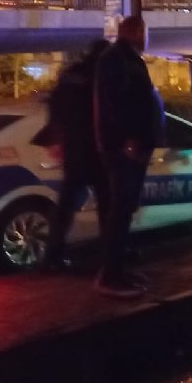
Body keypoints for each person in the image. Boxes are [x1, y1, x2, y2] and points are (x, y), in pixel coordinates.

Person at [94, 16, 164, 298]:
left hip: (130, 147)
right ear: (134, 32)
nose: (146, 37)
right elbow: (117, 103)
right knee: (120, 210)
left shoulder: (126, 58)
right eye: (145, 31)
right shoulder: (117, 59)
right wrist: (128, 139)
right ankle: (111, 275)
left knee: (124, 210)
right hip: (124, 149)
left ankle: (119, 268)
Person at [39, 39, 111, 270]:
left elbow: (55, 107)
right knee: (108, 204)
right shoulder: (102, 75)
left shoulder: (71, 74)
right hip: (99, 148)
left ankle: (53, 255)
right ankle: (110, 254)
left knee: (66, 205)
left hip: (74, 148)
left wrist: (57, 139)